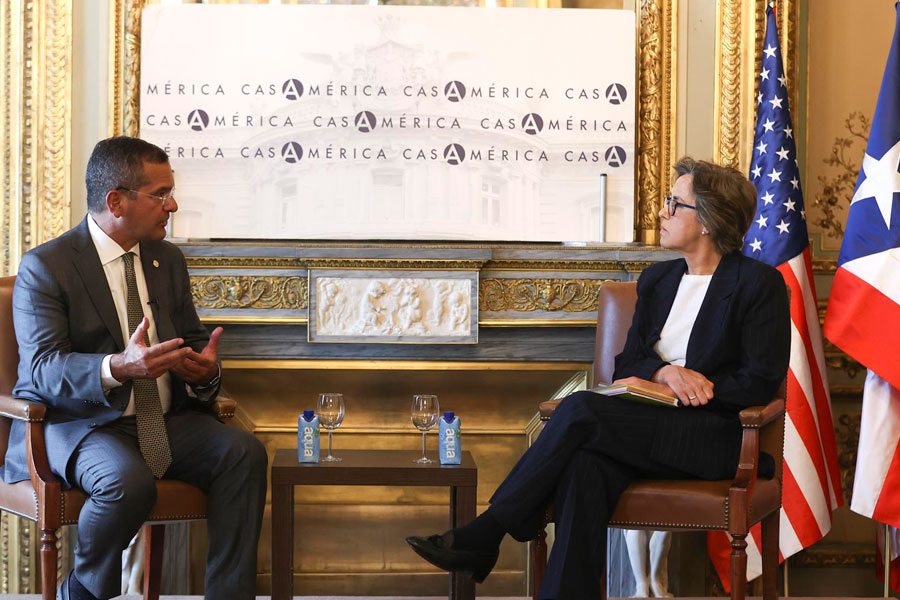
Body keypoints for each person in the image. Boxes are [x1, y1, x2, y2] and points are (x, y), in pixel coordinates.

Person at [406, 157, 791, 599]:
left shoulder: (758, 284)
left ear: (707, 220)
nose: (661, 212)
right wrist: (664, 372)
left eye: (673, 204)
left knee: (581, 408)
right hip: (644, 430)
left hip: (714, 437)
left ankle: (487, 532)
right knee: (585, 467)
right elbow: (627, 364)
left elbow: (760, 380)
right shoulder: (659, 280)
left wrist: (688, 389)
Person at [2, 137, 268, 600]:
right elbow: (43, 368)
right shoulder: (47, 266)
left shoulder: (168, 260)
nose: (173, 205)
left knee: (243, 453)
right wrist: (117, 367)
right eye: (161, 195)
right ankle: (82, 591)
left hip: (163, 421)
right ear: (116, 202)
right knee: (126, 482)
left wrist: (205, 373)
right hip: (77, 424)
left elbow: (194, 342)